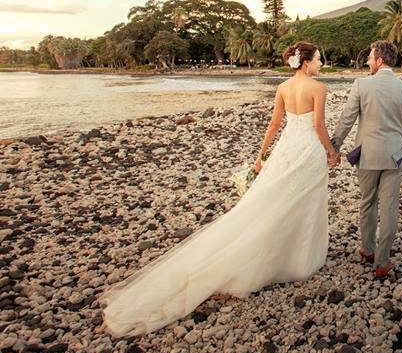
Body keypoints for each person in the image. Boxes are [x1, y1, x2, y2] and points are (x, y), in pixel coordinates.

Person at [100, 41, 338, 337]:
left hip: (287, 149)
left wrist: (260, 158)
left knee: (271, 202)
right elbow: (318, 126)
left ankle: (281, 253)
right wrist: (332, 152)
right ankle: (301, 258)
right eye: (318, 59)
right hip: (307, 151)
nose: (320, 64)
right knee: (303, 201)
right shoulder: (319, 89)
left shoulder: (284, 88)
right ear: (305, 62)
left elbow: (274, 125)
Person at [330, 40, 402, 279]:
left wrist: (334, 146)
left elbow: (347, 119)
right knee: (389, 207)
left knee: (367, 202)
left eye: (369, 57)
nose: (368, 61)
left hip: (367, 155)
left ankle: (367, 249)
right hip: (394, 156)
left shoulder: (361, 85)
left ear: (379, 61)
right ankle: (382, 261)